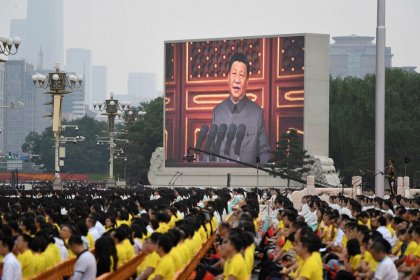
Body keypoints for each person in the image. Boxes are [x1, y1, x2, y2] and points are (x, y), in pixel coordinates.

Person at [211, 52, 271, 165]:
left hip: (247, 180)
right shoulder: (217, 112)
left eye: (241, 75)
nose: (237, 80)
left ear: (247, 81)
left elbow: (265, 153)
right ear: (228, 78)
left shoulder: (257, 114)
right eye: (234, 73)